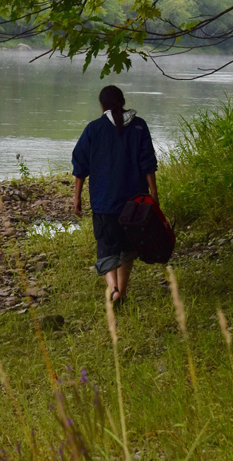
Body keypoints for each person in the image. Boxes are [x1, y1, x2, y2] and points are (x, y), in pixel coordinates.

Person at [71, 85, 158, 304]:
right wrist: (154, 195)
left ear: (102, 106)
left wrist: (77, 197)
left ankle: (113, 290)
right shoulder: (139, 126)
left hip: (104, 203)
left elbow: (80, 167)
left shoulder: (94, 129)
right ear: (122, 102)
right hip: (134, 203)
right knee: (128, 248)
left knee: (106, 249)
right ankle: (123, 292)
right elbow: (148, 164)